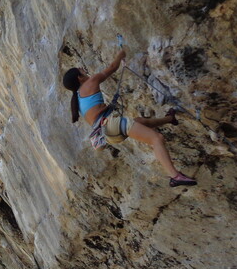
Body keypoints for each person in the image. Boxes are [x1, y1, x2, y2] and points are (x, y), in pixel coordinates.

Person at [62, 48, 197, 187]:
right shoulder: (90, 83)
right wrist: (123, 51)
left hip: (108, 134)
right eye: (81, 70)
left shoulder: (78, 99)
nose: (84, 70)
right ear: (80, 78)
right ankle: (175, 176)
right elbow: (112, 67)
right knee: (156, 139)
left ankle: (170, 119)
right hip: (111, 125)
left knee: (140, 122)